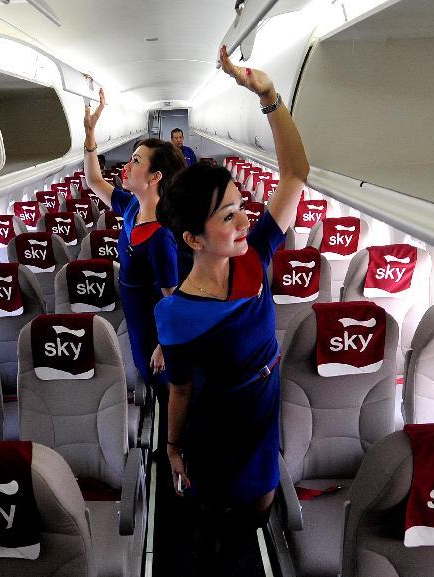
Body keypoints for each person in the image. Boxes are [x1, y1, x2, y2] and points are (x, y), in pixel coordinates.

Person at [154, 45, 309, 568]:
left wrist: (268, 96)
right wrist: (172, 447)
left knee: (256, 515)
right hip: (214, 432)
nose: (246, 220)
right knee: (214, 530)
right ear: (194, 239)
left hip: (262, 424)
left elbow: (294, 176)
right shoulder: (175, 314)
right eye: (229, 215)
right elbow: (179, 389)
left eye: (242, 206)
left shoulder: (255, 257)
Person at [82, 89, 187, 401]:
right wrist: (90, 137)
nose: (126, 166)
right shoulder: (130, 206)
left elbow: (173, 299)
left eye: (136, 161)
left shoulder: (162, 238)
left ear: (155, 176)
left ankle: (172, 443)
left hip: (152, 324)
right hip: (134, 310)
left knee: (161, 382)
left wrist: (164, 346)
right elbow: (94, 181)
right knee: (146, 374)